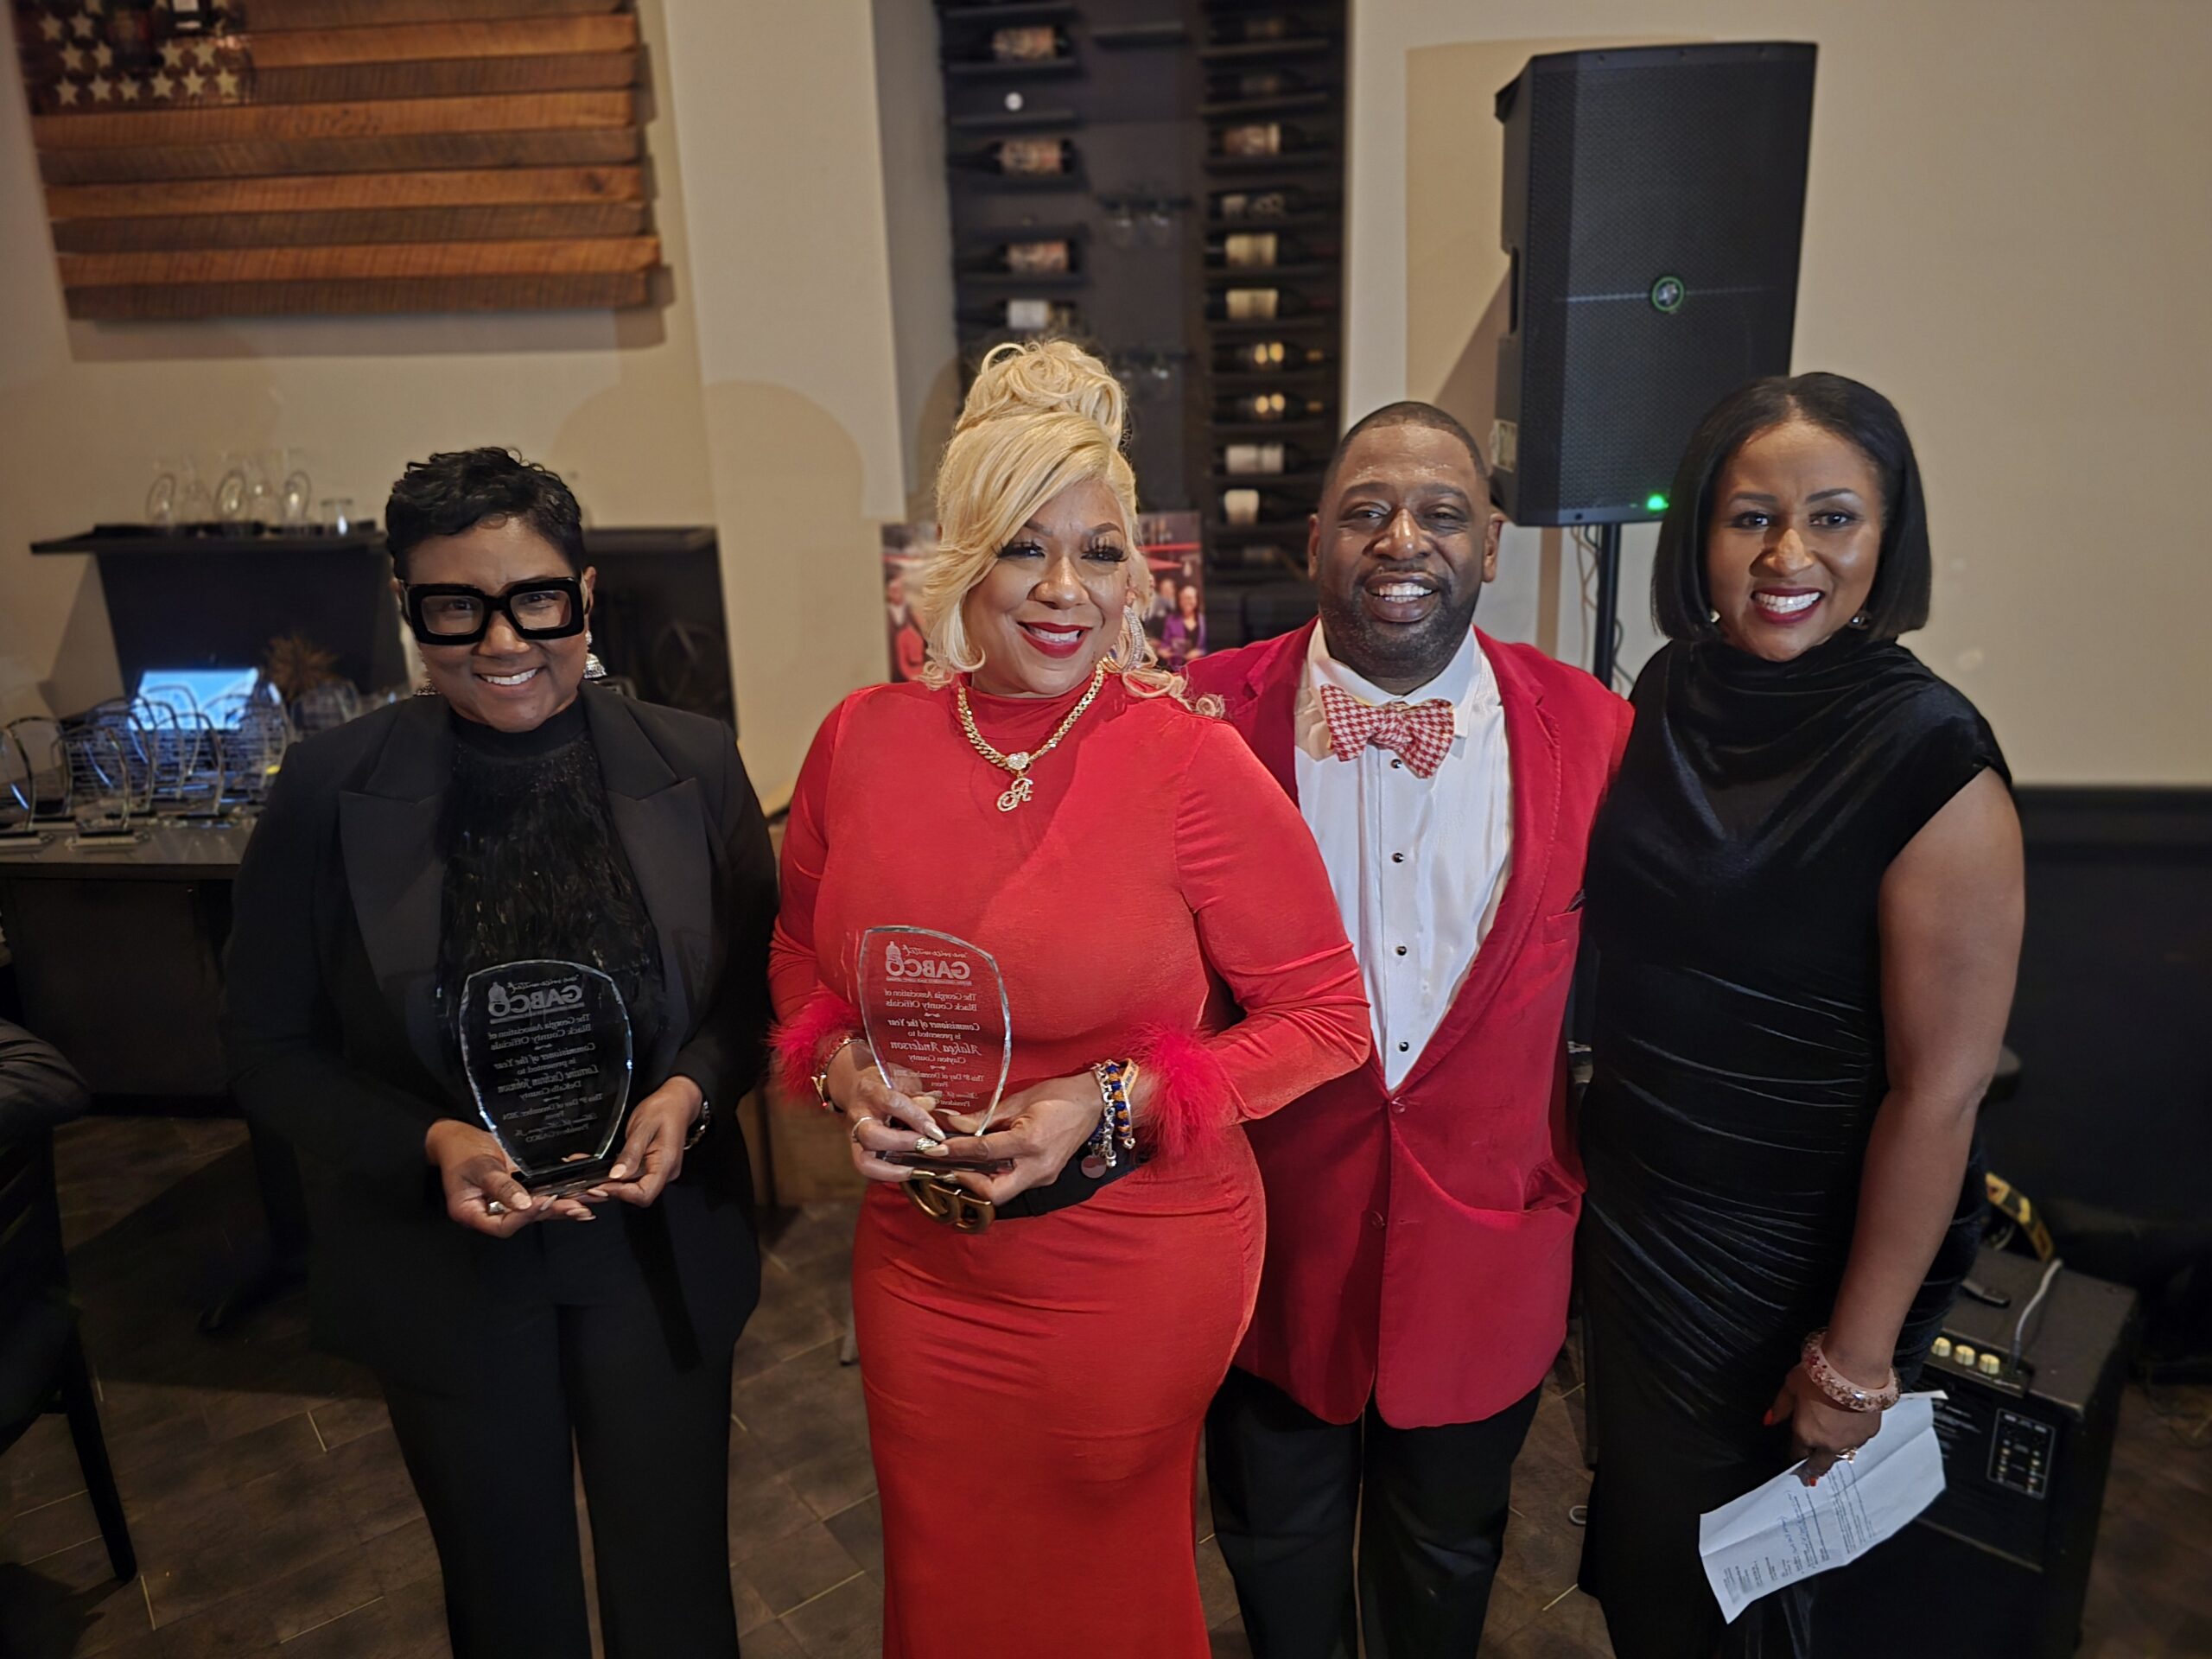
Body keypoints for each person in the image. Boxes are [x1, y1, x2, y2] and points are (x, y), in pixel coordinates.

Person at [770, 340, 1370, 1658]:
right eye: (1023, 548)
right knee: (944, 1571)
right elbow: (801, 964)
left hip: (1131, 1259)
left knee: (1102, 1586)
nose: (1064, 590)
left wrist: (1110, 1097)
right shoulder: (859, 742)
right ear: (958, 562)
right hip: (921, 1258)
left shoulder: (1188, 761)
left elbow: (1327, 1016)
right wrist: (843, 1072)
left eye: (1099, 553)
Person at [221, 448, 778, 1659]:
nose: (501, 640)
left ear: (584, 594)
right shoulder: (327, 789)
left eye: (535, 599)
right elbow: (266, 1049)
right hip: (442, 1263)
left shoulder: (693, 763)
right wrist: (426, 1140)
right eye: (454, 607)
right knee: (505, 1599)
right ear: (406, 607)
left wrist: (693, 1090)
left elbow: (755, 997)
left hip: (654, 1250)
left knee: (677, 1593)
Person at [1576, 374, 2023, 1657]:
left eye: (1832, 518)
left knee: (1748, 1599)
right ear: (1699, 537)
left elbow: (1940, 1090)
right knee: (1653, 1571)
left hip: (1798, 1254)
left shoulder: (1933, 755)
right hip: (1644, 1211)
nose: (1788, 556)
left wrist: (1855, 1359)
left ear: (1887, 541)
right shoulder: (1673, 686)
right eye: (1750, 518)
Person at [1185, 404, 1633, 1657]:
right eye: (1367, 511)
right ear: (1314, 541)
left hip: (1487, 1256)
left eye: (1440, 513)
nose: (1402, 541)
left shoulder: (1595, 730)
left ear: (1489, 543)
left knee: (1446, 1566)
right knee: (1275, 1560)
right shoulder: (1196, 719)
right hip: (1267, 1255)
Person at [1160, 577, 1208, 670]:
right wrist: (1163, 652)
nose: (1186, 602)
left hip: (1200, 667)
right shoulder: (1171, 620)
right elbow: (1165, 644)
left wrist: (1200, 652)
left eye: (1189, 598)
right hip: (1177, 668)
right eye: (1183, 599)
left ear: (1197, 600)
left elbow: (1209, 647)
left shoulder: (1204, 621)